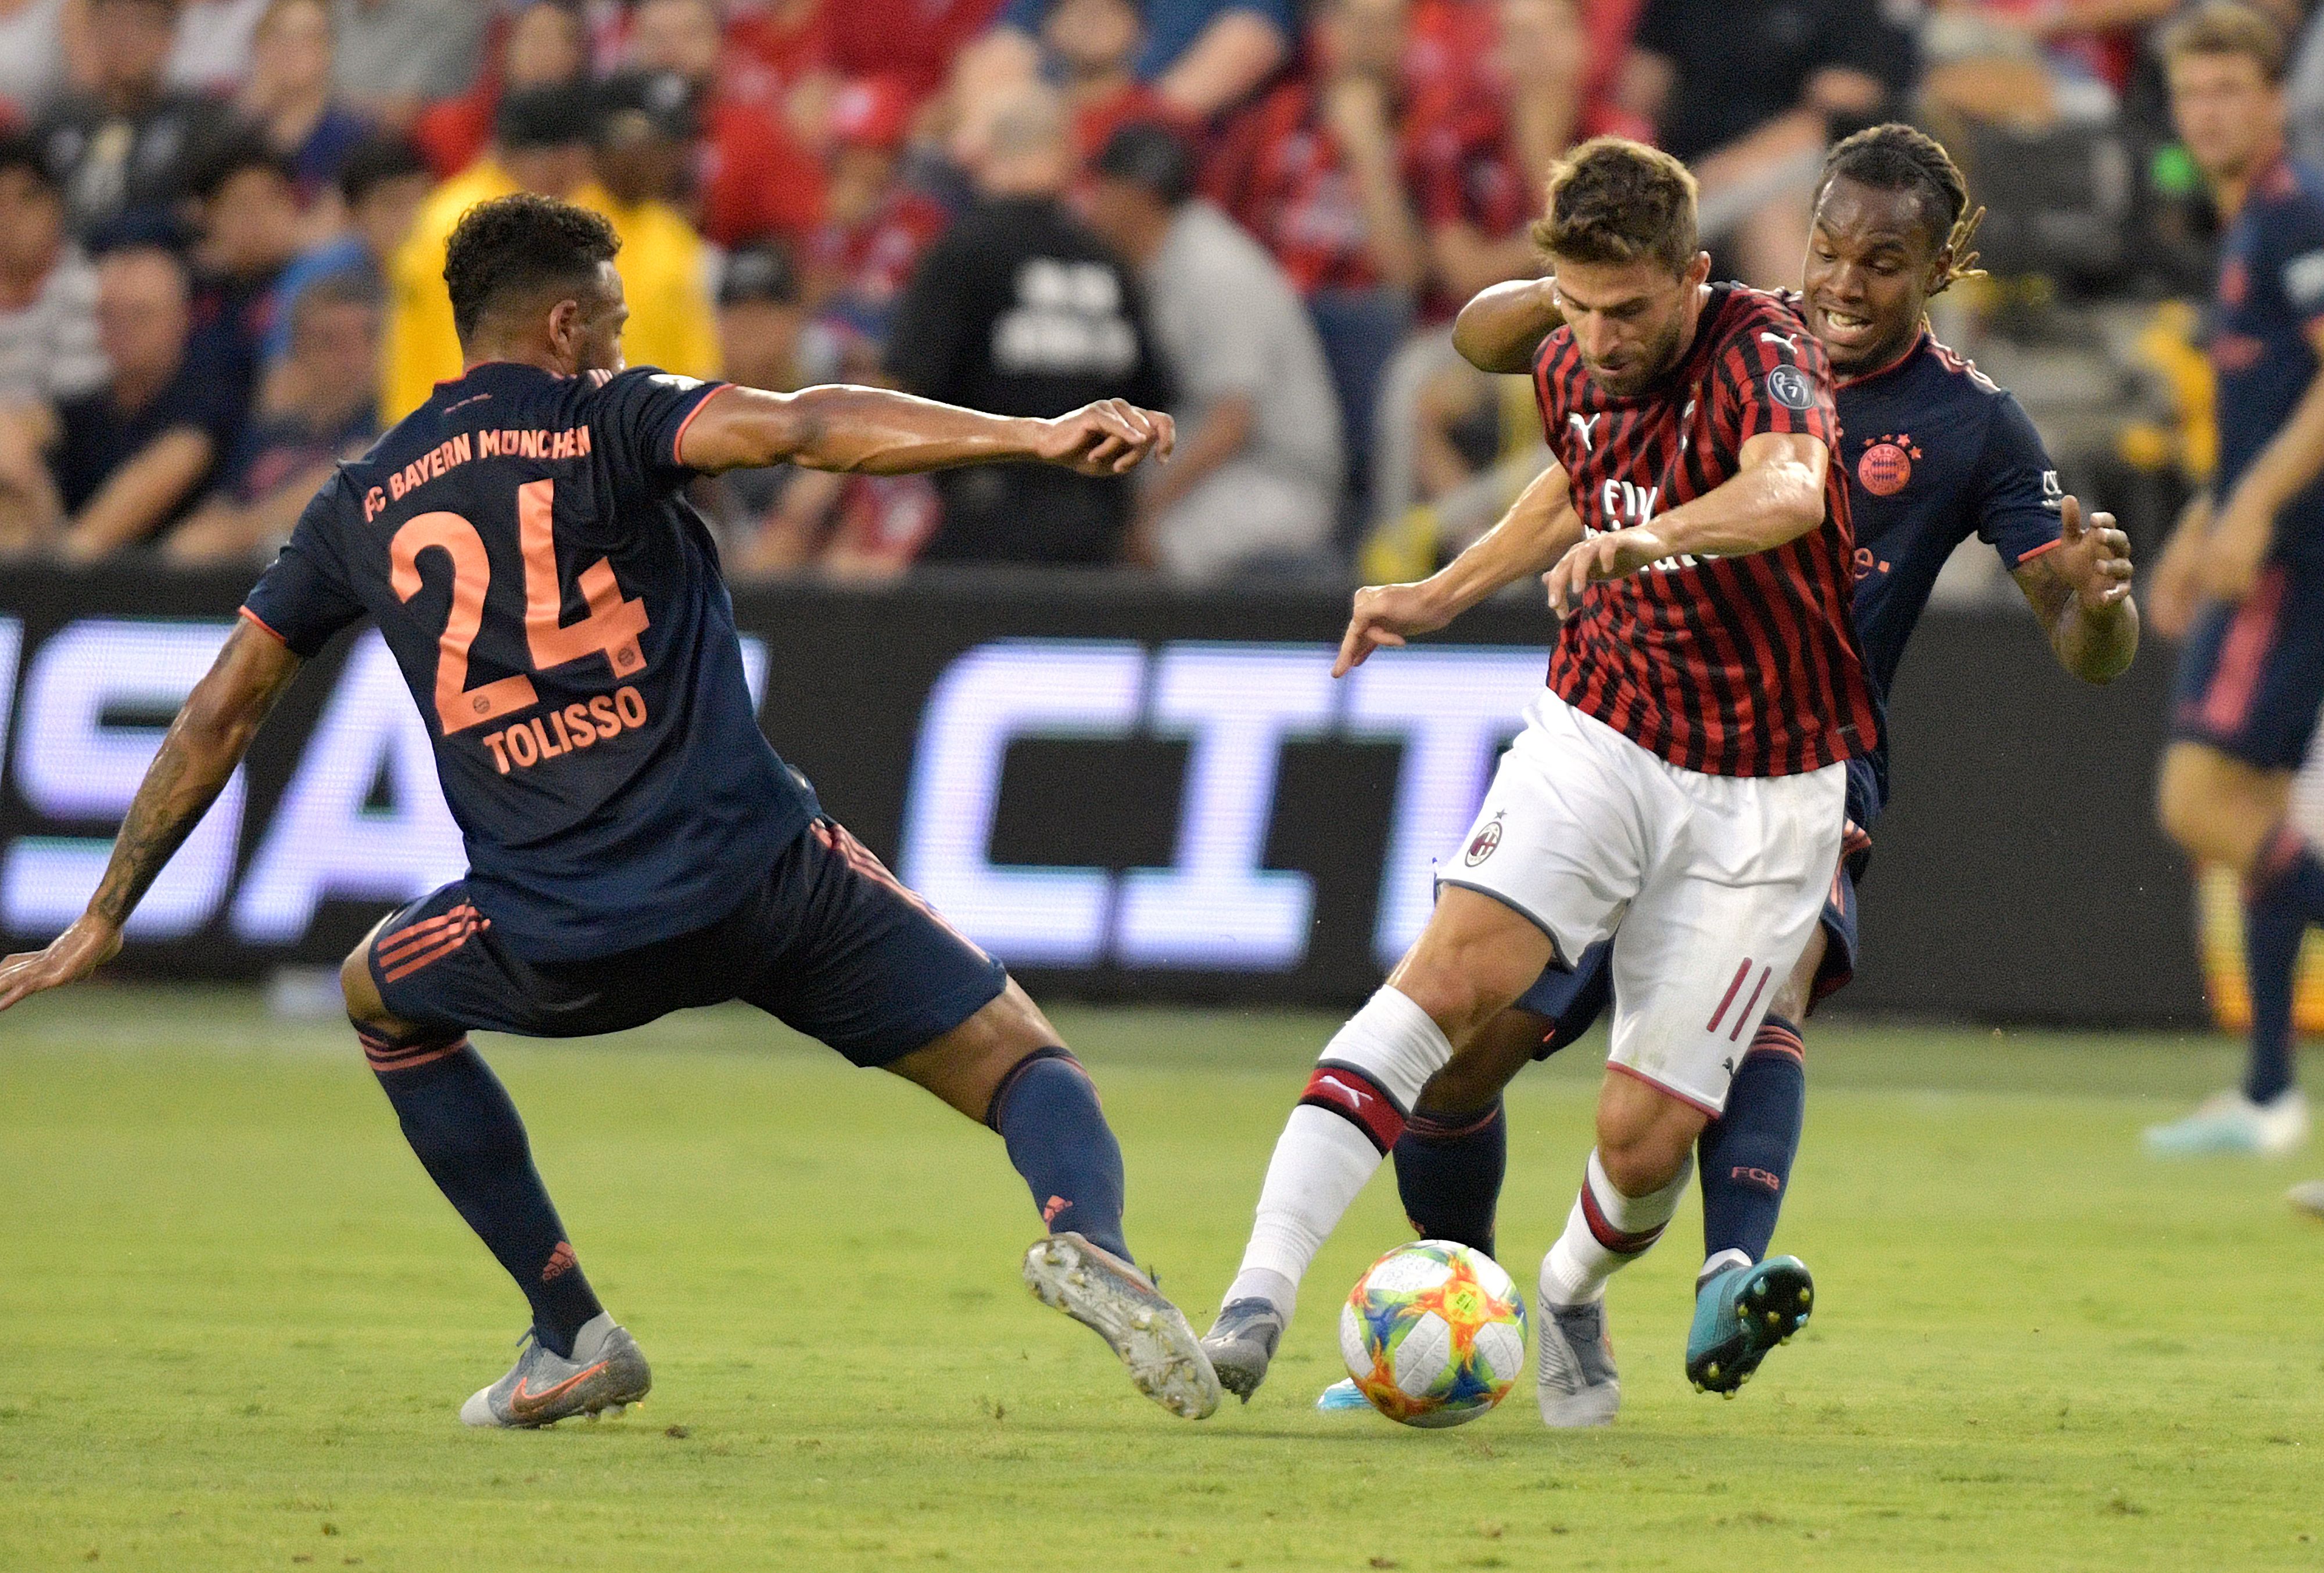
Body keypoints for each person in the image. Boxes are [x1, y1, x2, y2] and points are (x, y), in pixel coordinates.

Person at [0, 192, 1220, 1430]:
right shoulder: (610, 421)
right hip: (758, 877)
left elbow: (222, 708)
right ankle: (1089, 1237)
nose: (630, 348)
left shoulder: (361, 500)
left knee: (381, 995)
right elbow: (805, 426)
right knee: (1025, 1062)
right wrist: (1029, 436)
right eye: (621, 324)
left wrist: (104, 914)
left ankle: (567, 1330)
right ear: (568, 324)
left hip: (551, 926)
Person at [1310, 121, 2140, 1415]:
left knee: (1767, 990)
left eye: (1883, 261)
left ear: (1938, 269)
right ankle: (1454, 1321)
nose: (1844, 283)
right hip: (1618, 738)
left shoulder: (1969, 425)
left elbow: (2087, 651)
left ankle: (1728, 1272)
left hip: (1796, 767)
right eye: (1826, 247)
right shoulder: (1695, 333)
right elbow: (1520, 398)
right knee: (1461, 1059)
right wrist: (1581, 275)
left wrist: (2096, 607)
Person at [1197, 138, 1881, 1425]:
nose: (1598, 337)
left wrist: (1652, 536)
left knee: (1640, 1145)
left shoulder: (1762, 352)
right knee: (1445, 980)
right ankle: (1254, 1297)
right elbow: (1572, 481)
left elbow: (1785, 490)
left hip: (1767, 784)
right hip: (1602, 729)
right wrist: (1439, 590)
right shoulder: (1569, 351)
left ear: (1690, 275)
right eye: (1573, 305)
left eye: (1626, 309)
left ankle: (1566, 1289)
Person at [2145, 3, 2324, 1158]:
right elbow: (2258, 408)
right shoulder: (2238, 226)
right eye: (2190, 94)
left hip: (2296, 557)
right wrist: (2199, 520)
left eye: (2227, 92)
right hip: (2267, 543)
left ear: (2268, 103)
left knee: (2198, 802)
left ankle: (2266, 1091)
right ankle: (2265, 1093)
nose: (2206, 112)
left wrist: (2250, 510)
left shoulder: (2295, 212)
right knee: (2249, 817)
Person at [885, 84, 1170, 565]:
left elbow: (904, 388)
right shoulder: (1106, 259)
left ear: (990, 153)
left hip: (986, 523)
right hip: (1096, 529)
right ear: (1067, 159)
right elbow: (1151, 399)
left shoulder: (965, 250)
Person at [1084, 121, 1343, 582]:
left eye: (1103, 189)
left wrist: (1147, 508)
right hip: (1227, 465)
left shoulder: (1214, 268)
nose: (1092, 205)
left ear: (1136, 197)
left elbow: (1232, 421)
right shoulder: (1161, 258)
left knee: (1143, 544)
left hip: (1278, 479)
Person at [1617, 0, 1913, 288]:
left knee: (1768, 218)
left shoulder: (1845, 10)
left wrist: (1717, 176)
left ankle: (1802, 335)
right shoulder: (1681, 7)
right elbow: (1637, 97)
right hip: (1692, 169)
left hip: (1797, 168)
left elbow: (1833, 120)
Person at [0, 240, 242, 559]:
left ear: (181, 319)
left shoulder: (206, 401)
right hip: (76, 578)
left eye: (140, 315)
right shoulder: (91, 405)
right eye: (108, 315)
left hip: (164, 590)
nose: (121, 329)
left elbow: (92, 540)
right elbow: (19, 429)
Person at [165, 271, 379, 563]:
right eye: (328, 341)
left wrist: (237, 533)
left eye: (364, 338)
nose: (349, 357)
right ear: (296, 350)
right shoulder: (269, 434)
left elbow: (344, 485)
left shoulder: (387, 429)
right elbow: (205, 525)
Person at [33, 0, 235, 236]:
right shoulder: (57, 120)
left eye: (140, 23)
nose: (124, 39)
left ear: (168, 37)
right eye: (111, 23)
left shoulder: (202, 123)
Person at [261, 130, 430, 365]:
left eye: (423, 201)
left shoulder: (445, 265)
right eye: (392, 204)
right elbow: (282, 372)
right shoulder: (315, 277)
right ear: (353, 215)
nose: (412, 218)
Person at [0, 133, 107, 407]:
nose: (9, 217)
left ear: (55, 207)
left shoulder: (91, 291)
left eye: (25, 200)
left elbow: (74, 411)